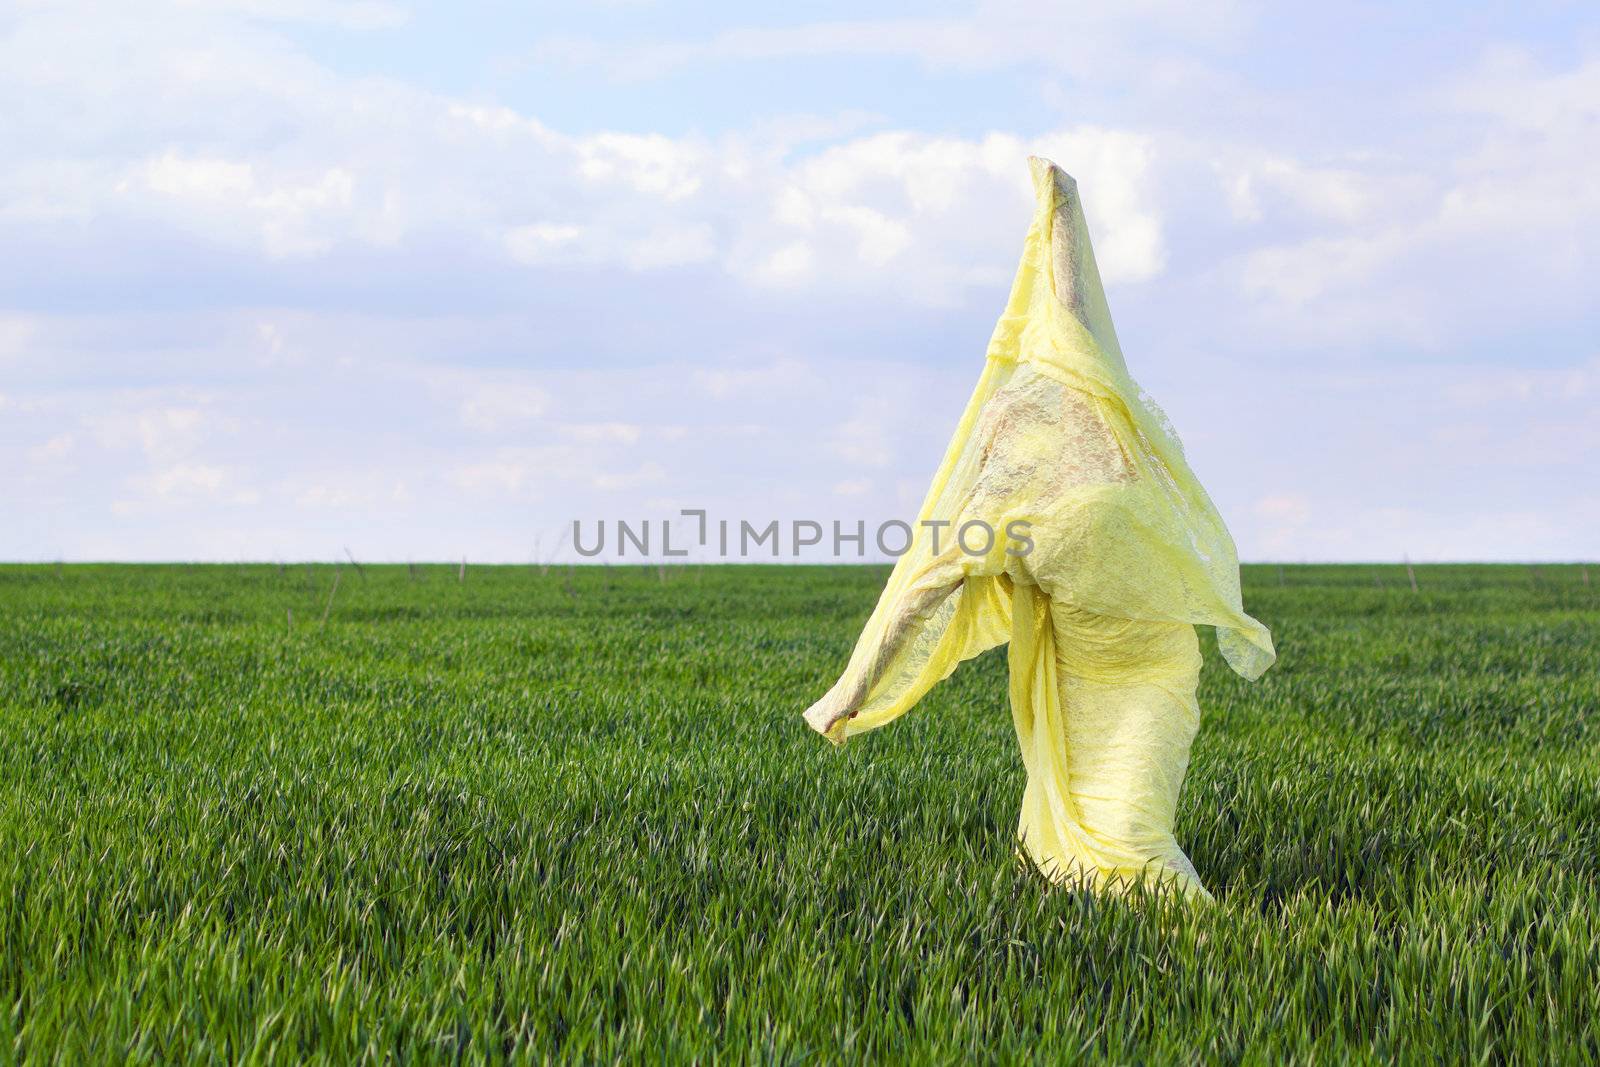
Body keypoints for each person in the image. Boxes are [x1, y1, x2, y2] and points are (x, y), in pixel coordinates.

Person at [802, 156, 1275, 902]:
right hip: (1076, 681)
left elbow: (1075, 312)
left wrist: (1062, 206)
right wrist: (850, 691)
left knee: (1133, 837)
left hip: (1154, 672)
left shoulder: (1103, 420)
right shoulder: (995, 509)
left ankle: (1229, 960)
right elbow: (920, 592)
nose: (1039, 396)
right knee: (1067, 862)